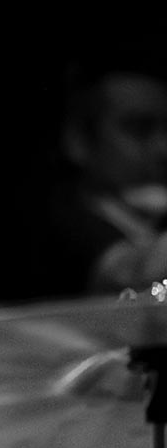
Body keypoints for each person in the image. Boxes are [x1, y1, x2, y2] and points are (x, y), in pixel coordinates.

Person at [42, 40, 167, 296]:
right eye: (139, 128)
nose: (163, 149)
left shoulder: (153, 216)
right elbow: (128, 275)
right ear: (78, 139)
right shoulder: (62, 218)